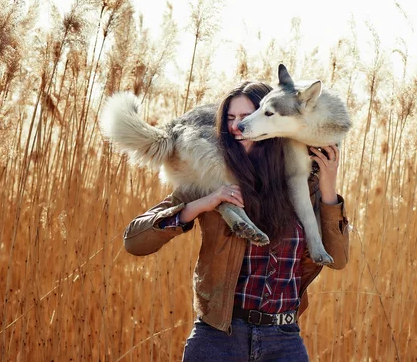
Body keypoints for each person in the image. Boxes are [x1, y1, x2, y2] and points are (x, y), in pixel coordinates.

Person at [123, 81, 350, 361]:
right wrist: (200, 205)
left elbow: (337, 259)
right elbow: (134, 241)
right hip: (218, 339)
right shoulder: (209, 179)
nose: (237, 126)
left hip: (284, 341)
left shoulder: (303, 184)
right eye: (229, 118)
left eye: (246, 117)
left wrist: (329, 186)